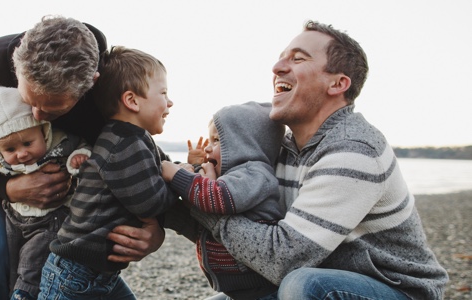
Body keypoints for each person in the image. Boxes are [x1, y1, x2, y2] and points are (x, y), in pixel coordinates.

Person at [186, 21, 449, 299]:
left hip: (397, 289)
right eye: (281, 57)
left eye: (298, 58)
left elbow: (282, 258)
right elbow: (245, 226)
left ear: (338, 83)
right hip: (311, 275)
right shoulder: (282, 148)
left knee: (305, 285)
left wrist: (202, 202)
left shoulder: (354, 149)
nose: (277, 67)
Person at [0, 16, 163, 300]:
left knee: (55, 256)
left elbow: (138, 154)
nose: (38, 117)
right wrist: (9, 189)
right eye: (30, 102)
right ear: (17, 67)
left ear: (91, 84)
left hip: (68, 189)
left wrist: (155, 227)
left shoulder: (105, 85)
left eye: (52, 110)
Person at [38, 46, 177, 299]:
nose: (170, 102)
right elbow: (151, 202)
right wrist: (179, 180)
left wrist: (185, 168)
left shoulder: (134, 137)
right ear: (132, 101)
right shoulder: (122, 142)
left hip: (98, 275)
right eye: (164, 93)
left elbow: (162, 166)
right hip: (76, 274)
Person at [0, 86, 91, 299]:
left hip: (50, 220)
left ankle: (23, 294)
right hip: (15, 219)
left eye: (27, 143)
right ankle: (18, 290)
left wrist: (78, 158)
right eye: (11, 150)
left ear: (43, 131)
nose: (22, 154)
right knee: (14, 263)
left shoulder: (59, 142)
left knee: (32, 264)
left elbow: (83, 144)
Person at [162, 101, 285, 299]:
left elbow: (217, 197)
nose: (208, 149)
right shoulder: (227, 178)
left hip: (259, 287)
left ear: (244, 144)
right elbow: (204, 192)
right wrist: (194, 167)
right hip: (237, 290)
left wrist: (176, 176)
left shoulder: (255, 174)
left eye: (217, 141)